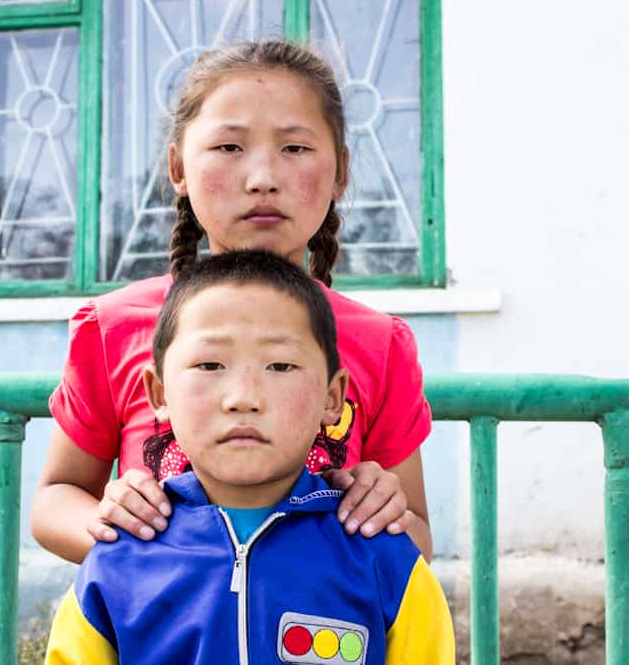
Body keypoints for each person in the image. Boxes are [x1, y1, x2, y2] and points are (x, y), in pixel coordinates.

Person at [32, 40, 435, 564]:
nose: (262, 179)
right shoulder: (113, 330)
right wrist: (116, 531)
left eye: (294, 148)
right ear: (178, 167)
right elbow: (53, 499)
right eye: (229, 147)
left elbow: (419, 536)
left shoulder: (380, 344)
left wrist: (382, 511)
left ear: (340, 172)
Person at [44, 250, 454, 665]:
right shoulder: (117, 564)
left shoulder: (384, 561)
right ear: (159, 393)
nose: (243, 398)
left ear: (333, 398)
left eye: (279, 365)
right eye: (209, 364)